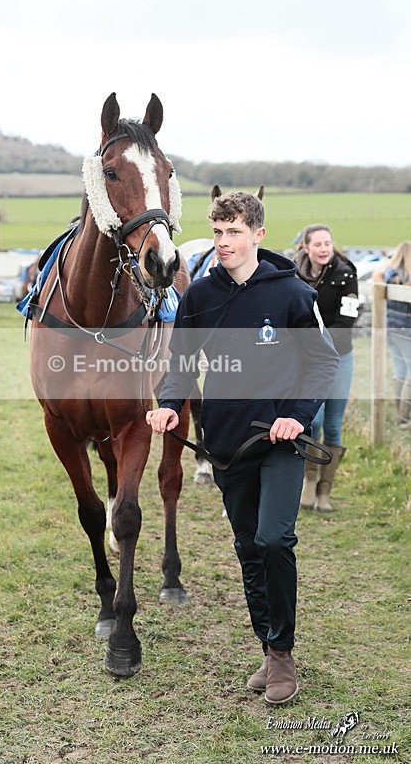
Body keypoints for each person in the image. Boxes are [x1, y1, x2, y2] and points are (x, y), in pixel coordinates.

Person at [146, 191, 339, 705]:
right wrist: (169, 405)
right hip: (228, 444)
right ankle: (269, 647)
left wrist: (294, 419)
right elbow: (182, 364)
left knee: (275, 540)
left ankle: (282, 652)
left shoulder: (293, 294)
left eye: (233, 232)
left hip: (281, 440)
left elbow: (323, 365)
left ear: (258, 235)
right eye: (217, 232)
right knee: (248, 547)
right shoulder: (200, 297)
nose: (224, 242)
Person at [295, 225, 358, 512]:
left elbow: (347, 322)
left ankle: (324, 491)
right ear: (305, 247)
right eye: (317, 244)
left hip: (340, 357)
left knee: (333, 426)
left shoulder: (346, 273)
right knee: (313, 420)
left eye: (327, 243)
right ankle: (308, 479)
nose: (323, 248)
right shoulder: (294, 274)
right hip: (306, 361)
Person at [381, 241, 411, 430]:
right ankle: (405, 416)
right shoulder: (407, 277)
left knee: (400, 370)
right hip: (406, 329)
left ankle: (400, 414)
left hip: (389, 327)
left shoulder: (389, 274)